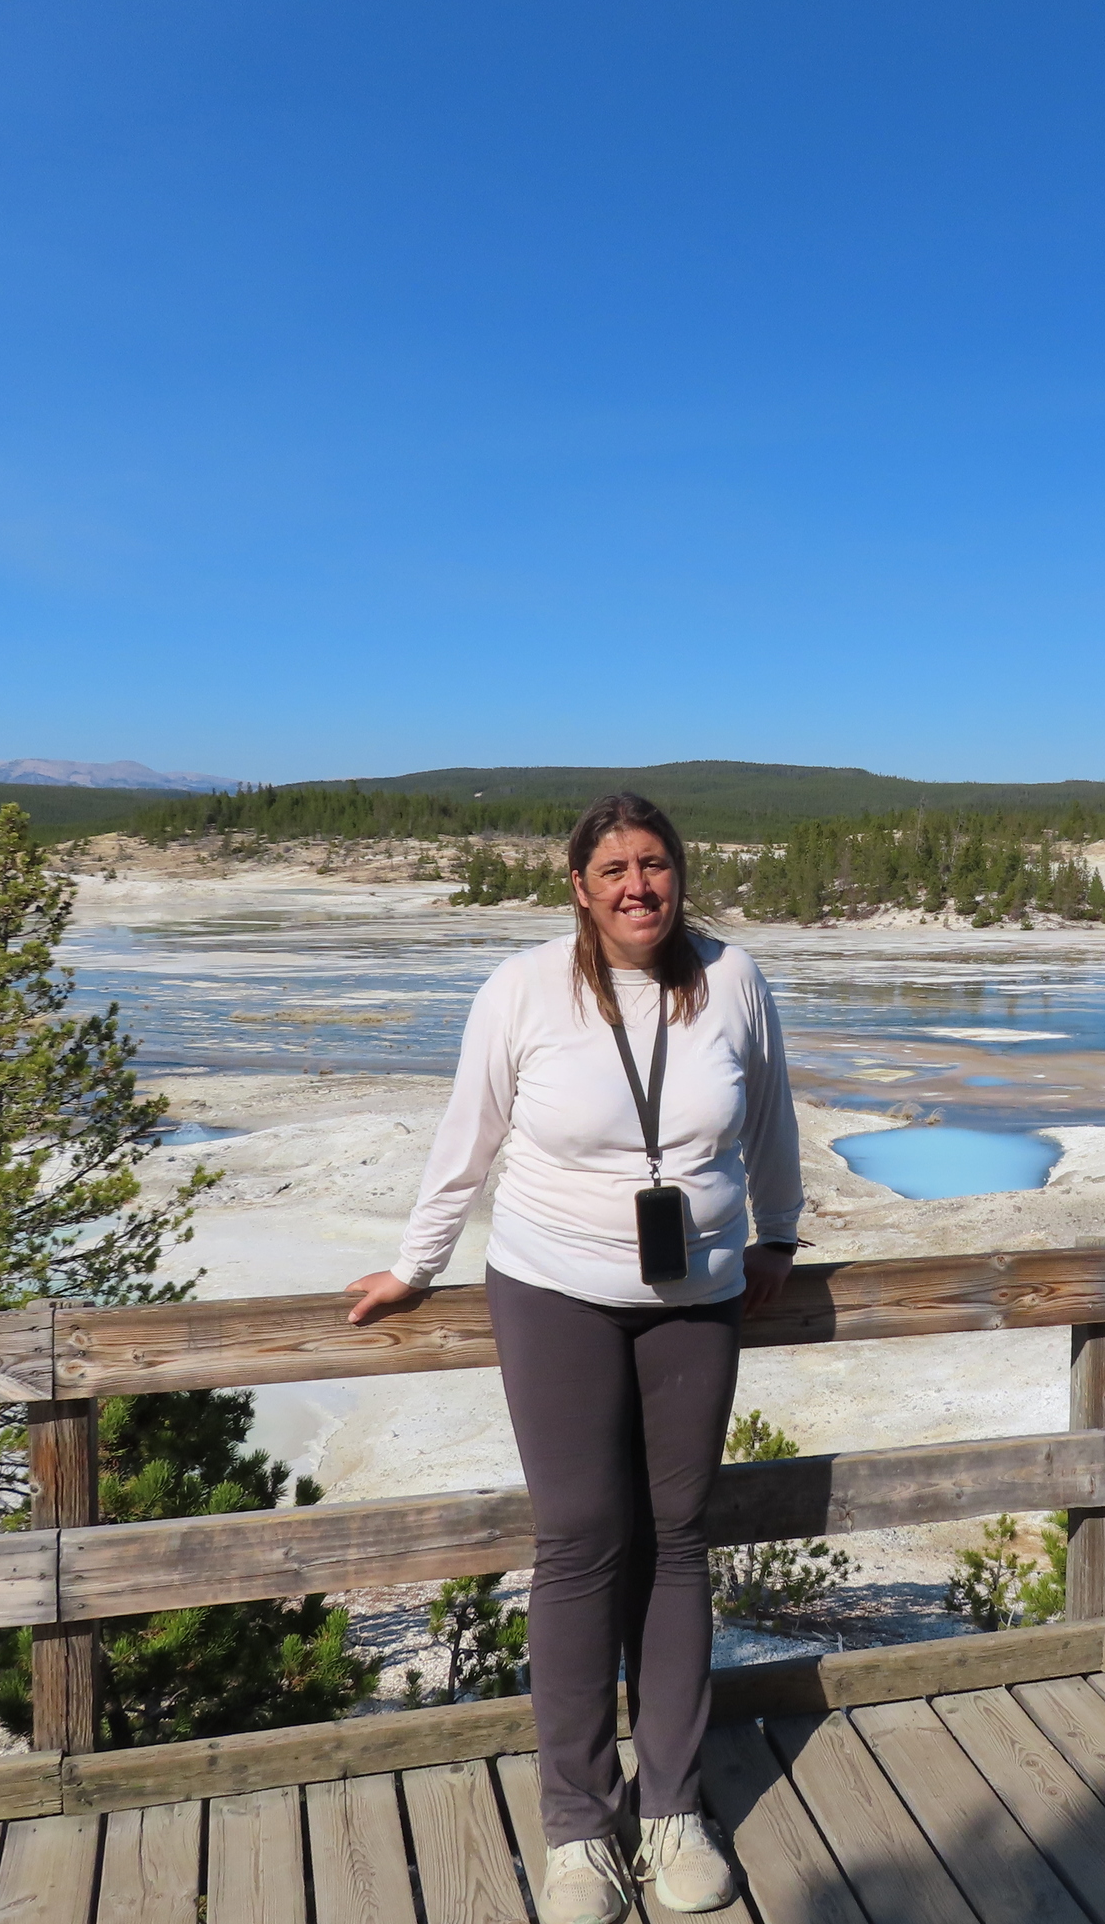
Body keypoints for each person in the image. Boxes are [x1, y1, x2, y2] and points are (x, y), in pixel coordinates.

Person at [345, 791, 802, 1924]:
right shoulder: (524, 989)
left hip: (697, 1298)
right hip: (554, 1291)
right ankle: (578, 1831)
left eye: (655, 865)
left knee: (679, 1541)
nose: (638, 887)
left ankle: (674, 1811)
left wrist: (780, 1234)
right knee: (582, 1541)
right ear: (580, 889)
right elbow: (469, 1136)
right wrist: (415, 1264)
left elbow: (770, 1118)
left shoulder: (733, 979)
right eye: (615, 871)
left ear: (680, 873)